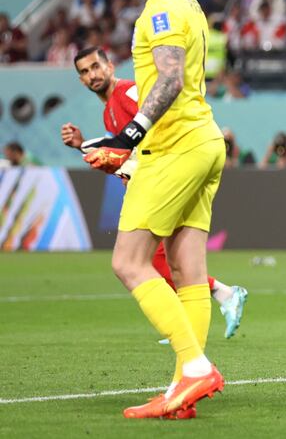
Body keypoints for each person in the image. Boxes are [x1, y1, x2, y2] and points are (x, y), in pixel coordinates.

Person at [81, 0, 227, 419]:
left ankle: (194, 368)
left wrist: (130, 135)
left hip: (175, 147)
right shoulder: (187, 1)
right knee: (188, 269)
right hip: (204, 141)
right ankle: (182, 390)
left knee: (128, 262)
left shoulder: (161, 8)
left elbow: (169, 78)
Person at [60, 46, 249, 337]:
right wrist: (84, 145)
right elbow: (124, 152)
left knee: (146, 262)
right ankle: (202, 318)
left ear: (110, 65)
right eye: (84, 72)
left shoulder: (126, 93)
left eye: (95, 66)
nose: (91, 75)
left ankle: (206, 314)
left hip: (167, 174)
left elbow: (156, 118)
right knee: (168, 261)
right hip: (160, 176)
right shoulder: (108, 113)